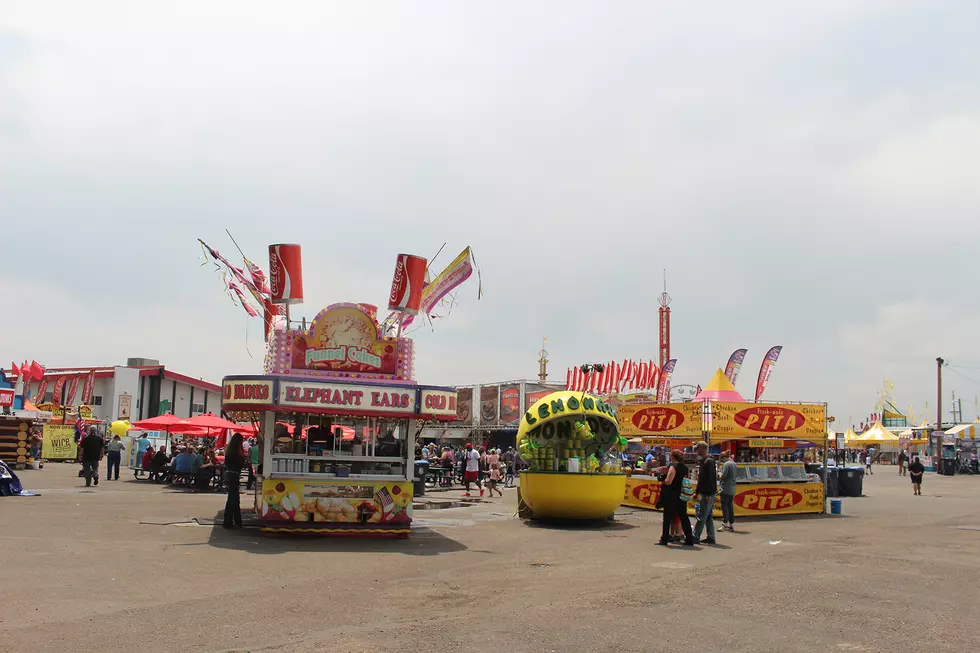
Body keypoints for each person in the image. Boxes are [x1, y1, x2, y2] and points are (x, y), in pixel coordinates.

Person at [656, 450, 695, 546]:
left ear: (673, 457)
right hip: (682, 494)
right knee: (683, 516)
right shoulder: (685, 468)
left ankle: (664, 538)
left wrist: (662, 480)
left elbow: (669, 481)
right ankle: (689, 538)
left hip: (672, 494)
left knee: (667, 517)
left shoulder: (673, 467)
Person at [692, 441, 717, 545]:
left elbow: (708, 479)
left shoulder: (708, 462)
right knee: (708, 516)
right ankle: (711, 537)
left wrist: (706, 494)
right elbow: (702, 479)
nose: (696, 451)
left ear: (702, 449)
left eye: (697, 449)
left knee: (702, 516)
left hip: (707, 493)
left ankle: (695, 536)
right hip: (708, 492)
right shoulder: (706, 461)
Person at [224, 433, 247, 528]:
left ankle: (234, 520)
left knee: (233, 498)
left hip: (229, 474)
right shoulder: (238, 452)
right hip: (235, 475)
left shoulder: (229, 451)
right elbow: (241, 464)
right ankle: (231, 521)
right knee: (233, 499)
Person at [718, 450, 738, 532]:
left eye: (721, 459)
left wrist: (719, 473)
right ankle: (731, 524)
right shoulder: (734, 463)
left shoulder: (727, 464)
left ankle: (725, 523)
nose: (722, 461)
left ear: (723, 458)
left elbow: (723, 475)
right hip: (732, 488)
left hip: (726, 487)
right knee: (730, 506)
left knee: (724, 506)